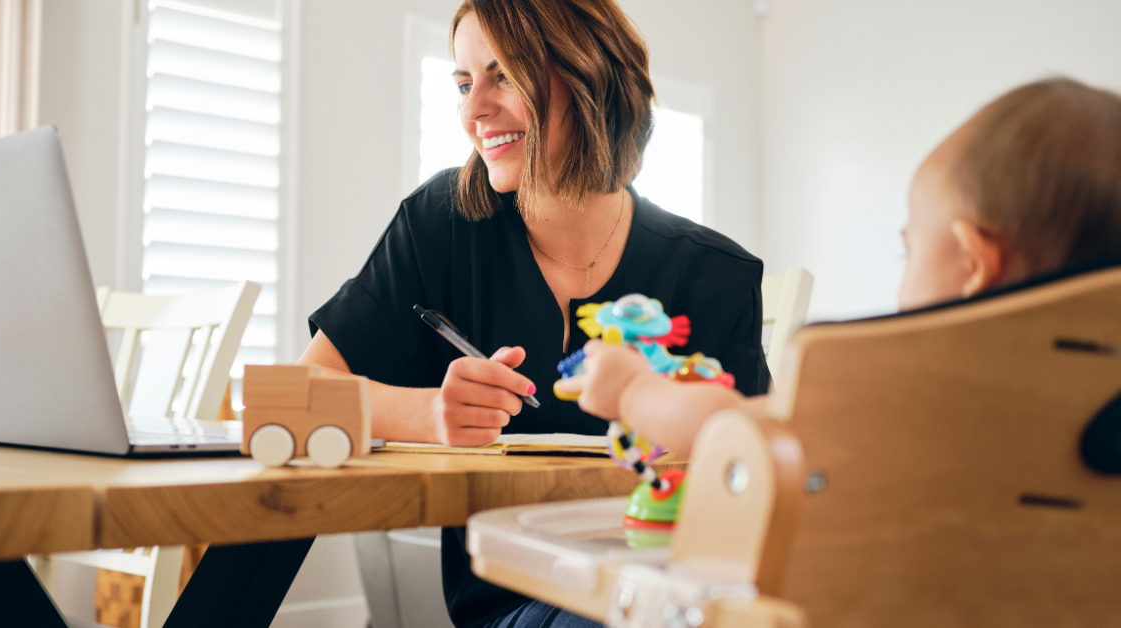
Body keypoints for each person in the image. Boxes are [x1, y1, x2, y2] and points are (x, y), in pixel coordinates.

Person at [298, 0, 771, 626]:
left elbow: (756, 477)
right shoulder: (440, 223)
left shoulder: (718, 275)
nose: (473, 111)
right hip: (514, 601)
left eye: (504, 75)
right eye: (464, 84)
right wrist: (433, 413)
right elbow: (301, 396)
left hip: (673, 590)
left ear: (588, 75)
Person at [557, 77, 1121, 456]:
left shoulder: (910, 393)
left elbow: (737, 432)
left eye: (910, 250)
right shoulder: (1095, 422)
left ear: (973, 266)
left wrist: (634, 392)